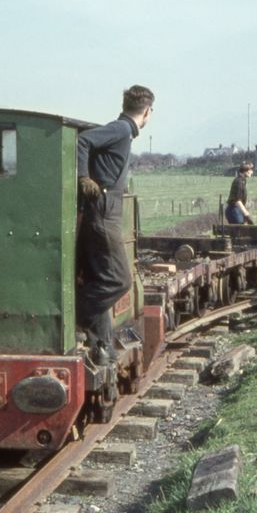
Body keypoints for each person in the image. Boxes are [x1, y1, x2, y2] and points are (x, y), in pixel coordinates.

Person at [75, 85, 155, 364]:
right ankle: (78, 313)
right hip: (103, 213)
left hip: (106, 210)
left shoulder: (123, 132)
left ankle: (101, 343)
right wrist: (84, 177)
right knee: (120, 279)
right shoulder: (121, 129)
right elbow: (83, 141)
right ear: (148, 111)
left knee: (101, 279)